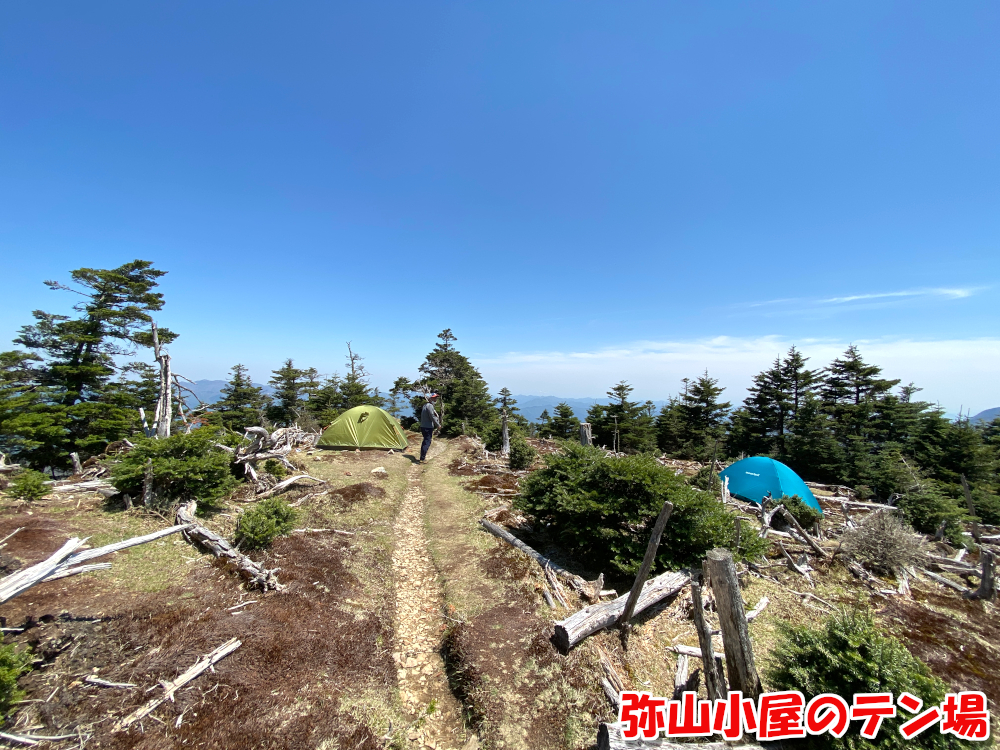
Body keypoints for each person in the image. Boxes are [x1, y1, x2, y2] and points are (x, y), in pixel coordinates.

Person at [419, 393, 442, 462]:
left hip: (423, 426)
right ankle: (422, 458)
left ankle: (422, 457)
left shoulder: (425, 405)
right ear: (430, 398)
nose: (435, 399)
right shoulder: (430, 406)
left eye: (436, 398)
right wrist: (438, 424)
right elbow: (432, 416)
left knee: (425, 441)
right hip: (428, 427)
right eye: (434, 398)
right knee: (427, 442)